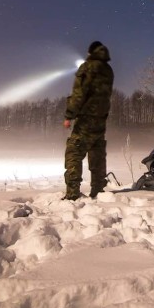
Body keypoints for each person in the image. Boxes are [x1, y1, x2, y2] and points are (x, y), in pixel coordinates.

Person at [62, 41, 114, 200]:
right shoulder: (108, 70)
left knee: (73, 153)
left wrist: (69, 115)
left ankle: (72, 195)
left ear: (90, 52)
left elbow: (79, 94)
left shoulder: (87, 67)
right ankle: (98, 191)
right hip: (101, 121)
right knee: (97, 154)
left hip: (85, 121)